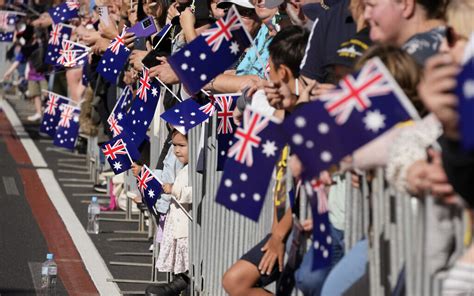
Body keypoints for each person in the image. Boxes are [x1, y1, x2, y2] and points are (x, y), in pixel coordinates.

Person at [222, 25, 309, 296]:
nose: (265, 78)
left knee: (237, 282)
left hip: (305, 226)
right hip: (284, 225)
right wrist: (275, 231)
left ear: (282, 72)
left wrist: (278, 236)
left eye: (268, 70)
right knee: (234, 281)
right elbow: (282, 185)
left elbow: (299, 189)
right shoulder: (286, 113)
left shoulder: (307, 121)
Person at [146, 129, 192, 296]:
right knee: (179, 256)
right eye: (174, 145)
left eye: (182, 145)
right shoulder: (184, 167)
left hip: (186, 226)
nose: (177, 150)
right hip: (176, 221)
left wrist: (175, 189)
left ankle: (181, 285)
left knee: (186, 257)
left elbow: (197, 192)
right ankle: (178, 284)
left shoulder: (194, 170)